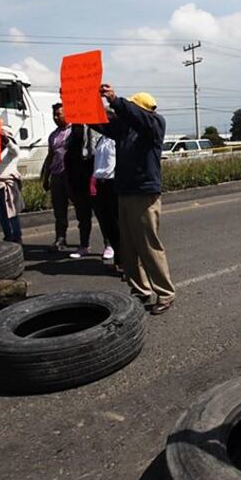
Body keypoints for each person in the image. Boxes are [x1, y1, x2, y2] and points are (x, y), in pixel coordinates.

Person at [94, 86, 176, 315]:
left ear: (141, 109)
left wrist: (115, 100)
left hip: (144, 194)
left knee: (148, 246)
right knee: (128, 247)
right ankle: (140, 290)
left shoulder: (155, 124)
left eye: (131, 106)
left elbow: (137, 116)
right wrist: (83, 103)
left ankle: (165, 293)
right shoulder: (124, 128)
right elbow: (100, 122)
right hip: (125, 192)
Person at [40, 103, 74, 252]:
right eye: (54, 115)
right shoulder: (53, 135)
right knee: (59, 210)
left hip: (72, 176)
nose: (55, 117)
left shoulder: (75, 131)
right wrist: (46, 177)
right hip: (57, 177)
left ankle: (89, 242)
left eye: (58, 114)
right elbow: (50, 156)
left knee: (83, 210)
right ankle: (60, 238)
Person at [64, 123, 97, 258]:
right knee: (83, 219)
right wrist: (70, 188)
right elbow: (67, 171)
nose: (77, 130)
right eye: (75, 127)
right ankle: (84, 245)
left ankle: (108, 244)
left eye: (80, 127)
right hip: (78, 188)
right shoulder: (70, 148)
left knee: (103, 218)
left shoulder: (92, 147)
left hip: (94, 188)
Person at [92, 132, 121, 267]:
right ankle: (118, 260)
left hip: (113, 183)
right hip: (101, 183)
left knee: (117, 224)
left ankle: (125, 262)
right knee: (107, 223)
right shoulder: (101, 140)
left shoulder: (117, 139)